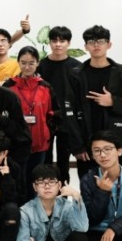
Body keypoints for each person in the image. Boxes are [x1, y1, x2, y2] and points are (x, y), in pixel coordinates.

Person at [68, 25, 122, 173]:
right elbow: (70, 112)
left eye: (101, 41)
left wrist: (113, 102)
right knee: (89, 184)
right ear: (86, 46)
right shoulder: (76, 75)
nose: (96, 45)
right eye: (91, 41)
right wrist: (77, 146)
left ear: (109, 44)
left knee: (119, 184)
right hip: (87, 144)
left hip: (117, 143)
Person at [3, 46, 58, 189]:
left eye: (31, 63)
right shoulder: (8, 86)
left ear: (38, 63)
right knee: (17, 182)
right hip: (16, 144)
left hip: (40, 143)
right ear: (18, 62)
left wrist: (47, 133)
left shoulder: (46, 87)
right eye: (23, 63)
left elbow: (54, 114)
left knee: (36, 182)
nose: (27, 67)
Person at [37, 26, 80, 184]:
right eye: (54, 41)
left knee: (64, 161)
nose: (58, 44)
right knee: (45, 160)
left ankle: (63, 193)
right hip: (45, 119)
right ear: (49, 43)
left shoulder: (77, 66)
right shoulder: (41, 66)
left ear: (69, 43)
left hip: (67, 119)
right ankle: (46, 192)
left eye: (62, 41)